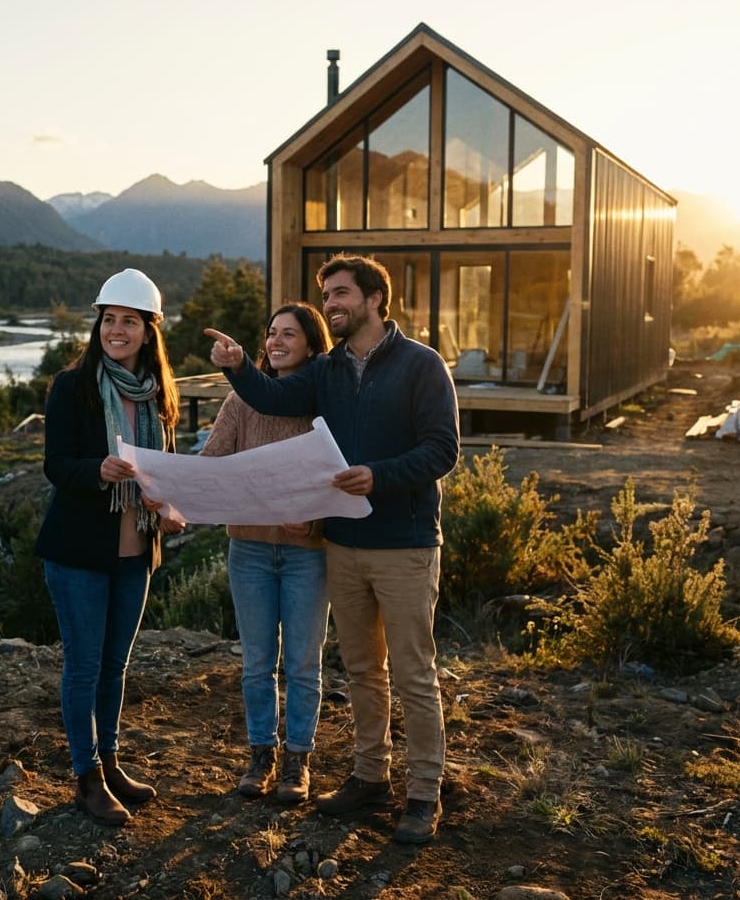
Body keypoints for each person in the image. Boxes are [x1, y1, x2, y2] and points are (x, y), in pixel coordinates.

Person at [205, 253, 460, 844]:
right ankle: (370, 776)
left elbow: (442, 450)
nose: (331, 305)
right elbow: (270, 400)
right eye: (327, 296)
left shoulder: (423, 366)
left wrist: (378, 474)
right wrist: (241, 366)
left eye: (341, 293)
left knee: (415, 674)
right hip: (342, 545)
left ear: (375, 298)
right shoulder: (329, 371)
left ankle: (423, 792)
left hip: (405, 544)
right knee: (365, 671)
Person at [35, 268, 185, 827]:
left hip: (134, 551)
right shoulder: (72, 386)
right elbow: (56, 466)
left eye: (129, 321)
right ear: (98, 324)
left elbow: (158, 474)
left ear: (149, 331)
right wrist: (97, 470)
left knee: (114, 667)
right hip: (78, 551)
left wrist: (166, 507)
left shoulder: (157, 394)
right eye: (109, 320)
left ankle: (112, 762)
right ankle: (87, 777)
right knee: (83, 666)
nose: (116, 331)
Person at [201, 302, 332, 804]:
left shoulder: (323, 402)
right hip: (249, 550)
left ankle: (298, 759)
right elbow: (212, 462)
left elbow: (337, 476)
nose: (277, 342)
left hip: (307, 553)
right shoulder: (241, 401)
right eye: (272, 333)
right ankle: (262, 754)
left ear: (311, 344)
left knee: (302, 663)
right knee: (257, 663)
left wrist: (315, 520)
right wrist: (164, 480)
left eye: (289, 334)